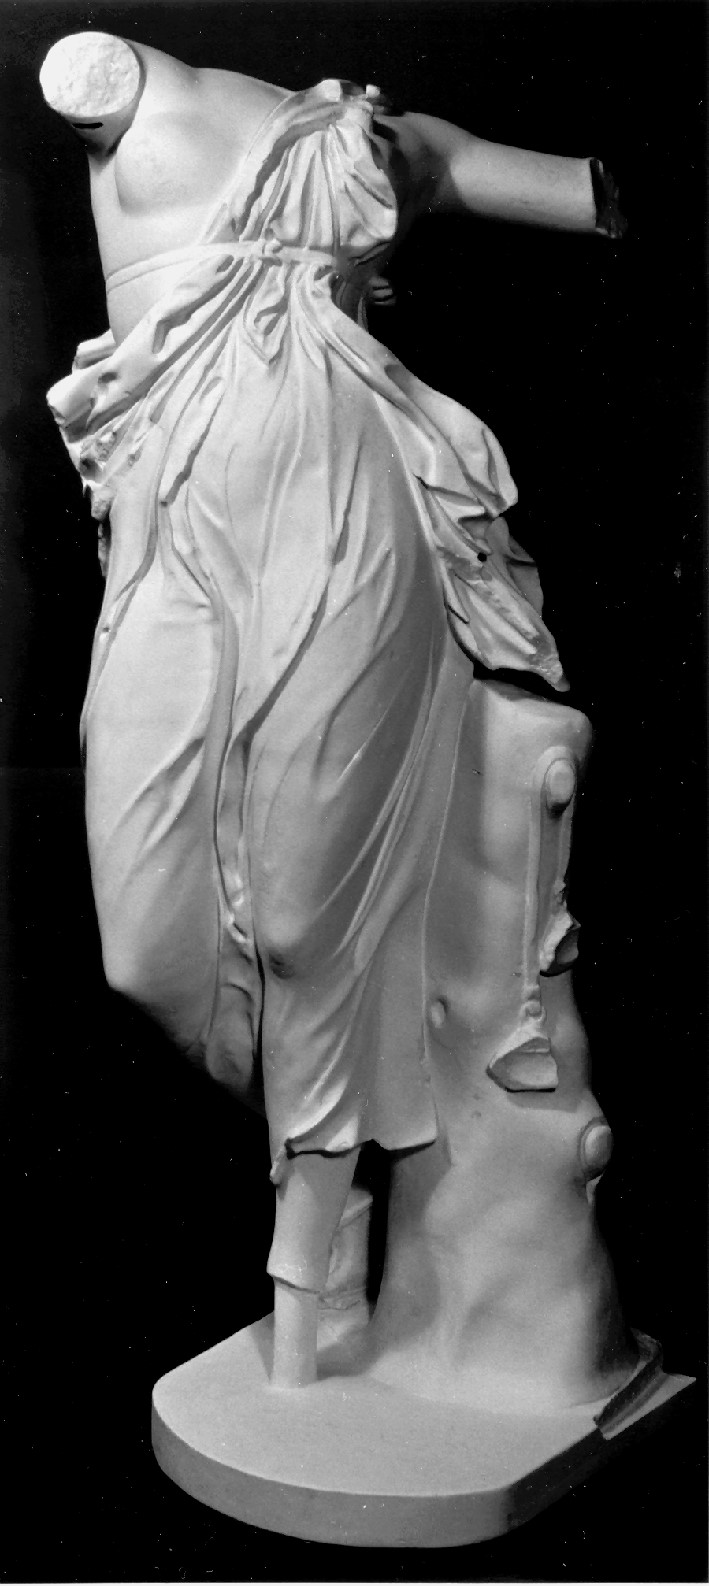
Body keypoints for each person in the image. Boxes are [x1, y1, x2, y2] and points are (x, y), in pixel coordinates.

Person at [42, 31, 624, 1389]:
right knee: (144, 945)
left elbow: (501, 172)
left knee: (310, 922)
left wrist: (581, 188)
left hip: (350, 503)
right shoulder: (121, 76)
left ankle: (310, 1261)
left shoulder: (370, 132)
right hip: (173, 518)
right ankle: (333, 1150)